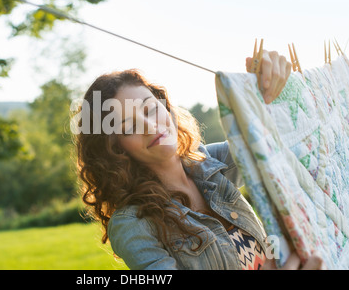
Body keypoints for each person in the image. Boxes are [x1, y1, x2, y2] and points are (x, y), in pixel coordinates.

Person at [72, 50, 323, 270]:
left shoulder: (210, 161)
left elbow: (281, 137)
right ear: (115, 149)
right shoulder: (133, 224)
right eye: (128, 127)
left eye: (151, 109)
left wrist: (271, 83)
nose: (150, 126)